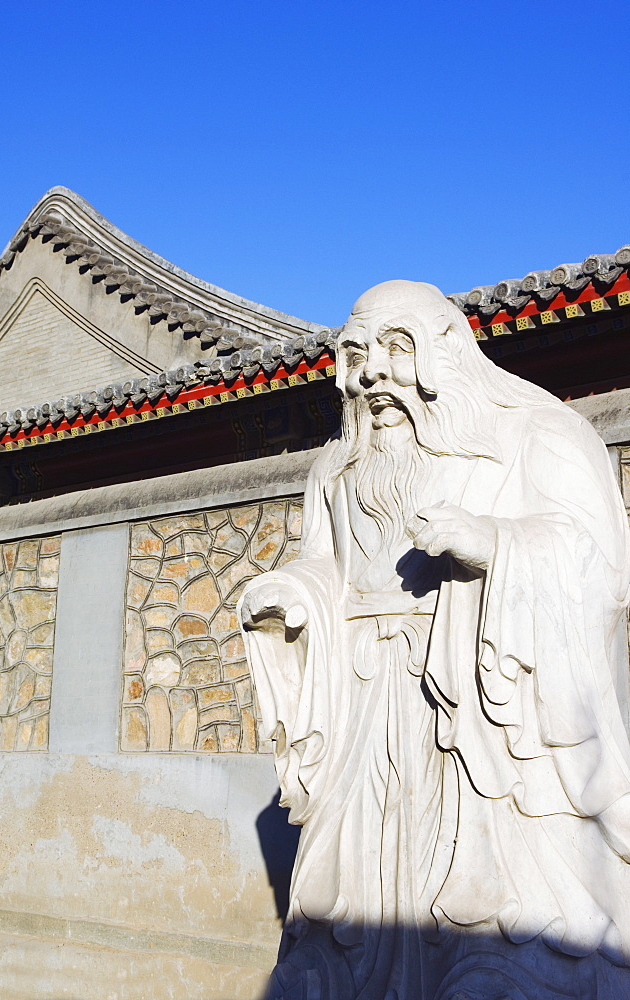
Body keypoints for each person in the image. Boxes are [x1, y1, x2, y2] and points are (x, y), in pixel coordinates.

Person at [239, 280, 630, 1000]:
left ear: (446, 353)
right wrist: (293, 592)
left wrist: (494, 544)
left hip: (477, 712)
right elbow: (325, 565)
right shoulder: (335, 468)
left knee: (497, 906)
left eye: (395, 348)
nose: (372, 373)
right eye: (355, 354)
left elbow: (600, 568)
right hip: (361, 705)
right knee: (351, 899)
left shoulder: (537, 435)